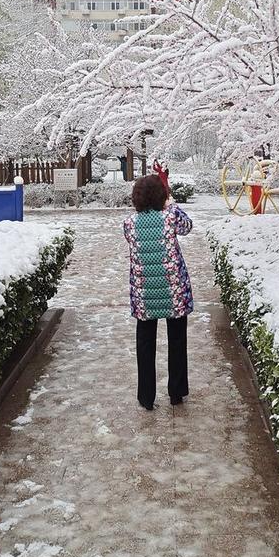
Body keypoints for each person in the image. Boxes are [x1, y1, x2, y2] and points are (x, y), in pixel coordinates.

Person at [123, 173, 193, 410]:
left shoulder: (129, 224)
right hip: (173, 290)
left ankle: (146, 397)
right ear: (162, 196)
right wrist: (170, 203)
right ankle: (176, 392)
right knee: (177, 340)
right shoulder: (171, 217)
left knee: (145, 343)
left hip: (145, 294)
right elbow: (188, 226)